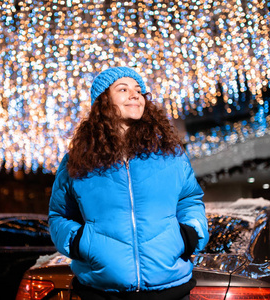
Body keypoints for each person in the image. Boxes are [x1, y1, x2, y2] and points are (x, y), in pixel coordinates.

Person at [48, 66, 209, 300]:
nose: (135, 95)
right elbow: (59, 214)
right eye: (123, 89)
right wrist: (79, 243)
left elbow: (190, 200)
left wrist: (190, 234)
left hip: (170, 288)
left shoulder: (169, 154)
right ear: (103, 102)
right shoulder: (78, 161)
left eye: (138, 90)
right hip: (101, 291)